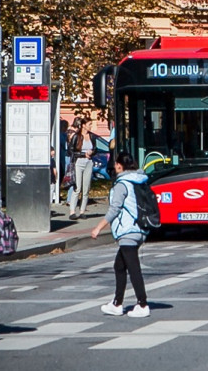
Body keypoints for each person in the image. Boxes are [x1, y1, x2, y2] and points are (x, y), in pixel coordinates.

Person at [91, 152, 150, 318]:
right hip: (140, 229)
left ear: (119, 165)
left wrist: (98, 228)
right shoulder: (140, 179)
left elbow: (114, 209)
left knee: (133, 268)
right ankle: (117, 303)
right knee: (119, 265)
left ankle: (142, 304)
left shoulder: (122, 184)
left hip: (127, 230)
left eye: (116, 164)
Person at [68, 117, 95, 220]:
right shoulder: (76, 136)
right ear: (83, 125)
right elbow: (70, 151)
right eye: (89, 124)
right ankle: (72, 211)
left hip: (89, 163)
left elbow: (95, 149)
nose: (91, 126)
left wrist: (92, 152)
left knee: (86, 188)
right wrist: (83, 154)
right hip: (79, 162)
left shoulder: (92, 136)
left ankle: (82, 211)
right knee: (77, 187)